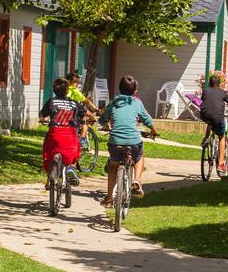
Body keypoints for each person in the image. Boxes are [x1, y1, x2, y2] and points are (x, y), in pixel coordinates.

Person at [98, 75, 158, 206]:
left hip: (115, 142)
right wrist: (153, 131)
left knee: (113, 165)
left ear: (120, 89)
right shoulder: (136, 102)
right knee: (139, 157)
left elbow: (102, 119)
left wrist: (107, 126)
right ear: (135, 90)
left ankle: (109, 198)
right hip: (133, 141)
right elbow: (147, 120)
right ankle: (137, 179)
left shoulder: (114, 102)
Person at [39, 77, 84, 187]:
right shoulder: (74, 103)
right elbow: (83, 113)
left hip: (54, 134)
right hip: (69, 135)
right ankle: (71, 168)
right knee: (76, 148)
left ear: (54, 90)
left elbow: (42, 115)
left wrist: (43, 120)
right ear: (67, 90)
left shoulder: (52, 101)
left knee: (49, 153)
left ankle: (49, 179)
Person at [199, 73, 228, 172]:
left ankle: (205, 139)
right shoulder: (223, 93)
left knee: (210, 121)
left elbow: (206, 102)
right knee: (222, 137)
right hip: (218, 117)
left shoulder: (205, 91)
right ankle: (221, 164)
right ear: (220, 84)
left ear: (209, 83)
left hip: (205, 115)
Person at [65, 70, 99, 139]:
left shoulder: (63, 89)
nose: (77, 84)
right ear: (70, 81)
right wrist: (95, 108)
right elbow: (86, 101)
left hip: (64, 113)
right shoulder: (74, 90)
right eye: (76, 82)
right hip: (73, 111)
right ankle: (82, 139)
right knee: (85, 121)